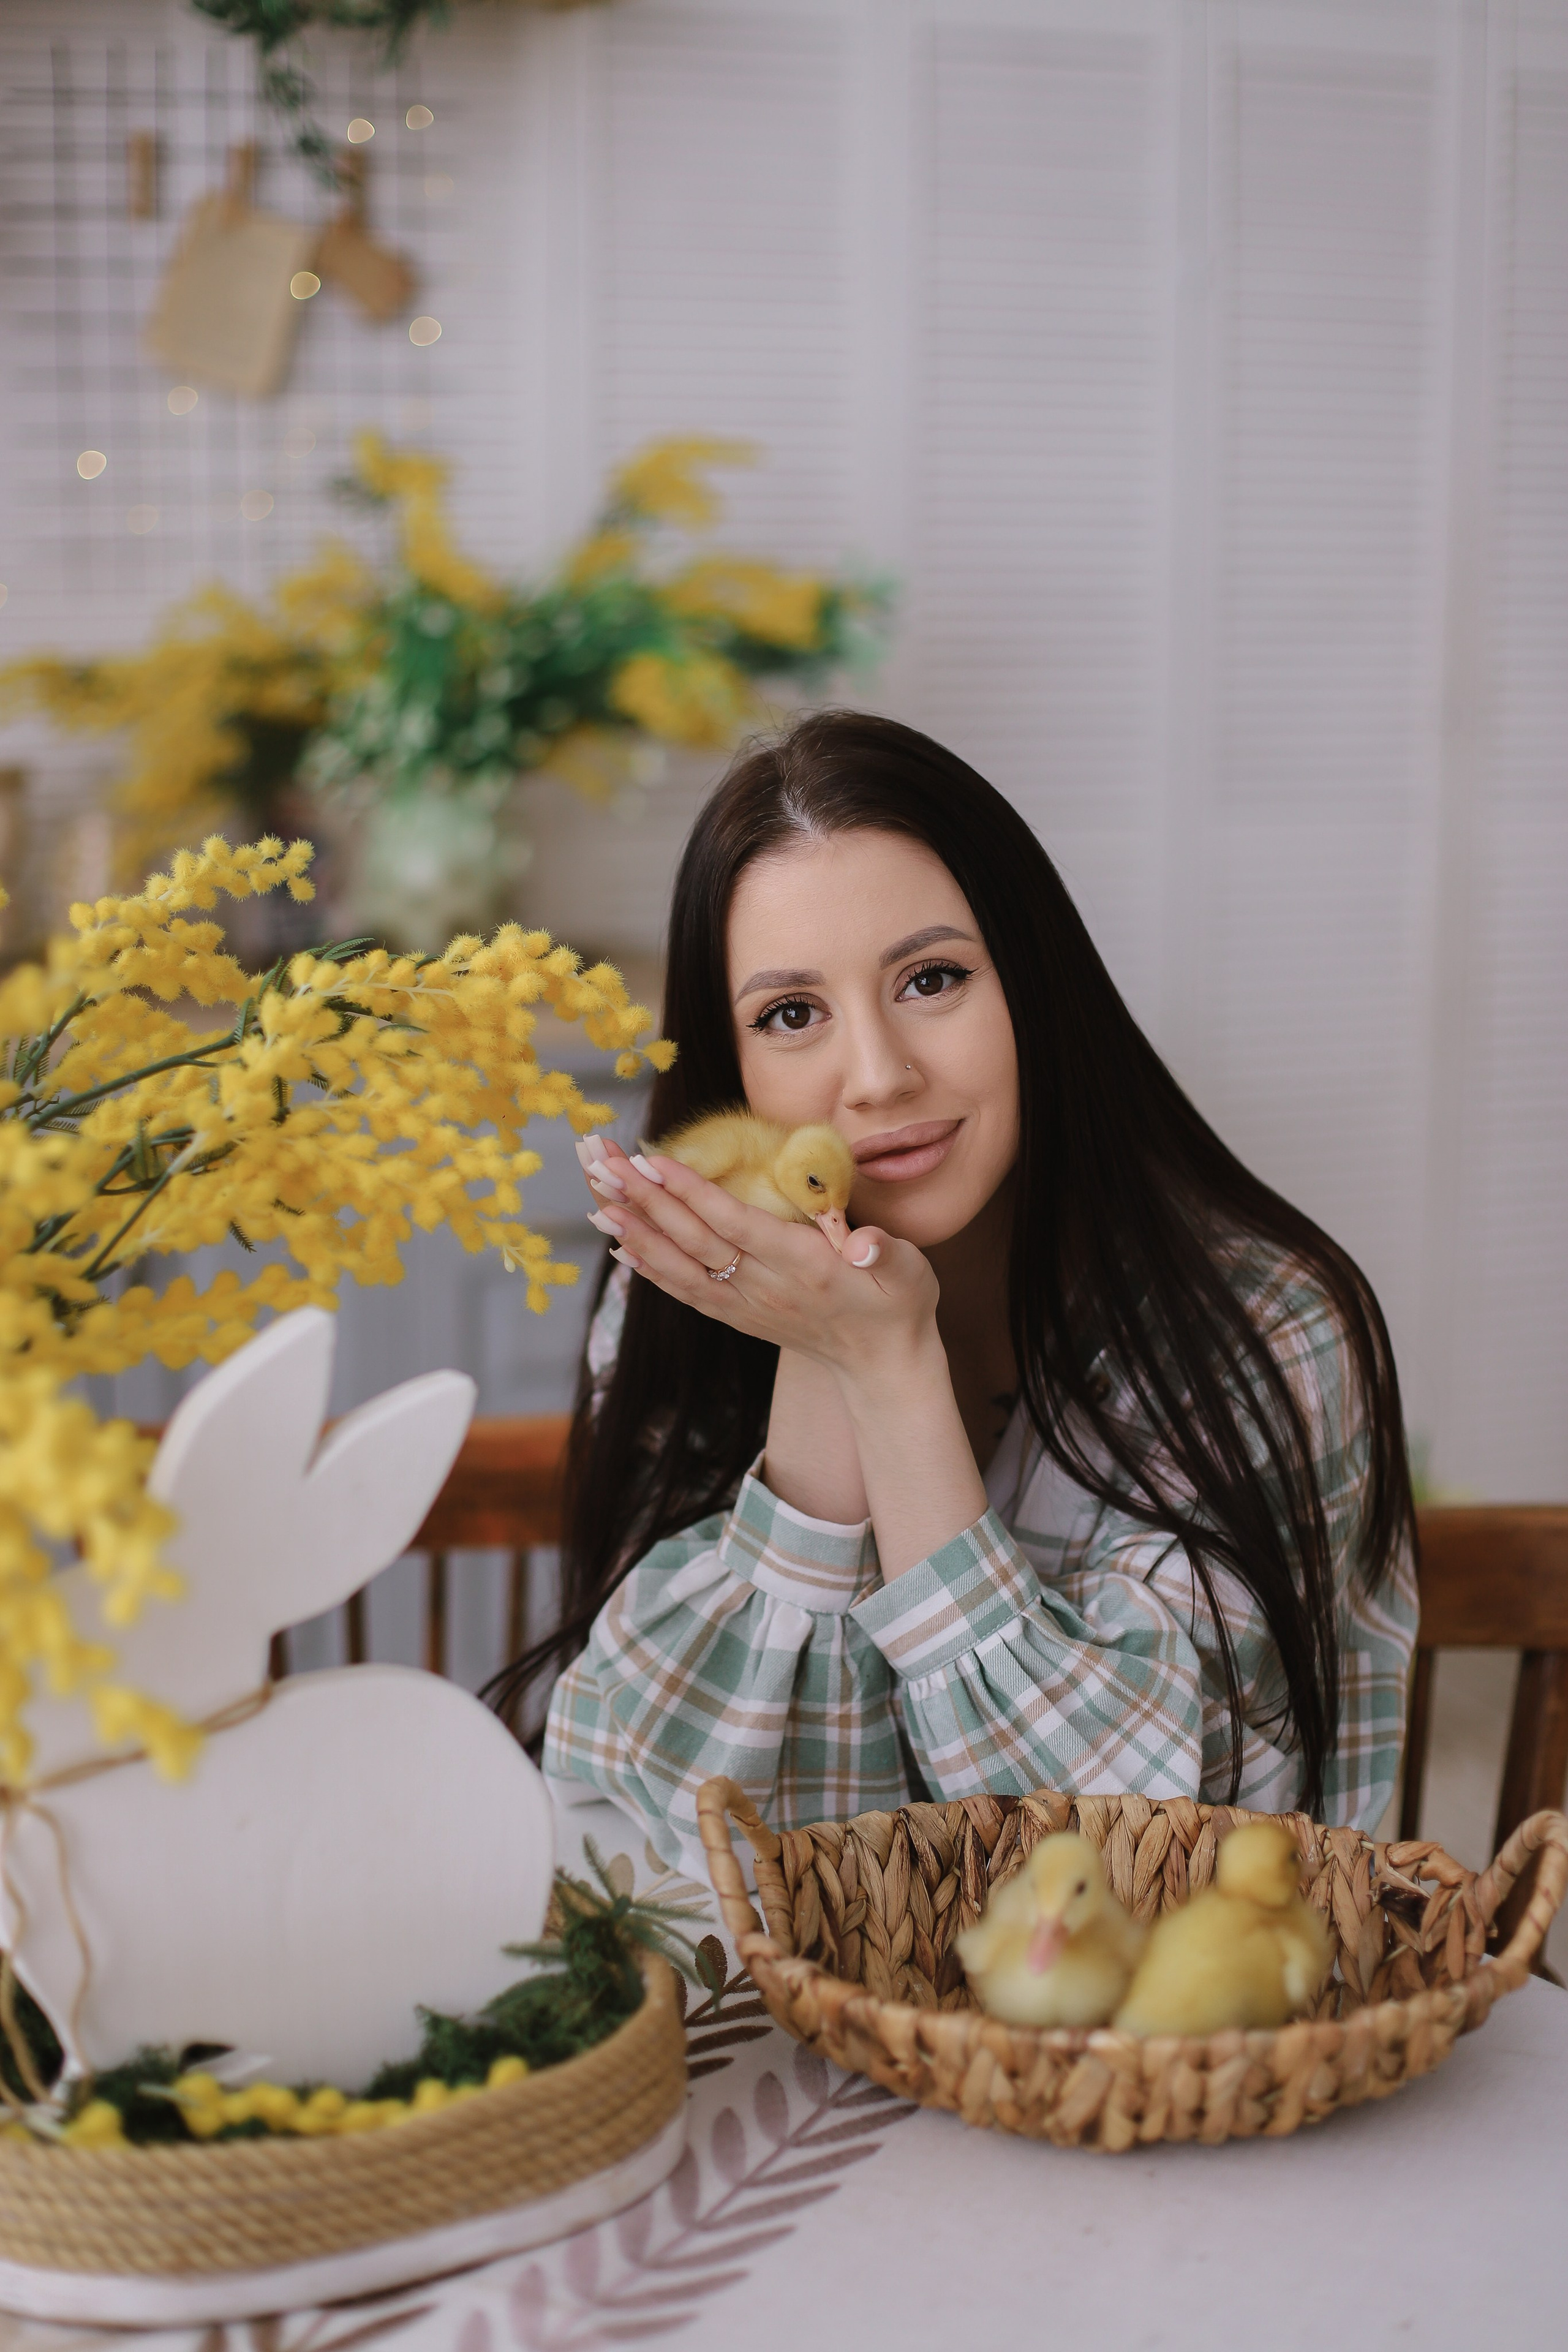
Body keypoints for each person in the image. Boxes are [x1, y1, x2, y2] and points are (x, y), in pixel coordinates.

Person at [496, 711, 1417, 1877]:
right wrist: (825, 1346)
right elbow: (700, 1826)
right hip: (785, 2038)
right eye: (792, 1014)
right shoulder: (682, 1301)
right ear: (733, 1071)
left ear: (1032, 983)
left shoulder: (1266, 1336)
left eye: (932, 979)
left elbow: (1109, 1874)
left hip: (1167, 2043)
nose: (881, 1076)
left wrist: (887, 1367)